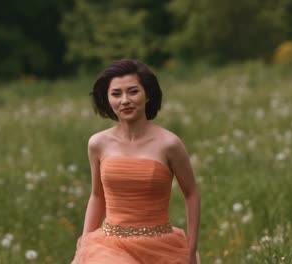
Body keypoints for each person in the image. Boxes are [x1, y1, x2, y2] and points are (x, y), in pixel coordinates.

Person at [71, 59, 201, 264]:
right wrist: (83, 248)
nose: (124, 100)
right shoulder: (98, 143)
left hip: (161, 247)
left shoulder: (169, 144)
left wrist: (192, 250)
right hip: (109, 248)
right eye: (116, 94)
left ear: (147, 95)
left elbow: (191, 193)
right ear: (107, 98)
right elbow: (97, 196)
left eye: (133, 92)